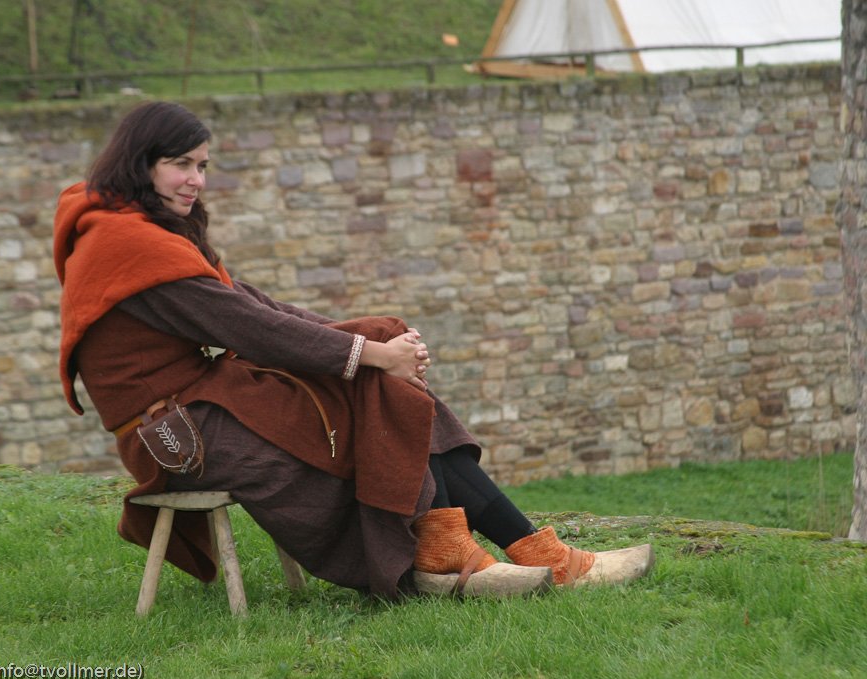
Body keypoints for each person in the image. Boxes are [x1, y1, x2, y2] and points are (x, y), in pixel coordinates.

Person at [53, 101, 654, 601]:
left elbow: (256, 307)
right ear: (141, 163)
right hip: (175, 432)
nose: (196, 180)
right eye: (180, 164)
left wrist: (373, 343)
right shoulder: (126, 244)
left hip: (205, 401)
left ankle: (508, 550)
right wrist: (369, 356)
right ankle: (455, 554)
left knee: (378, 354)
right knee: (366, 387)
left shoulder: (139, 228)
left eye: (202, 165)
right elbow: (253, 330)